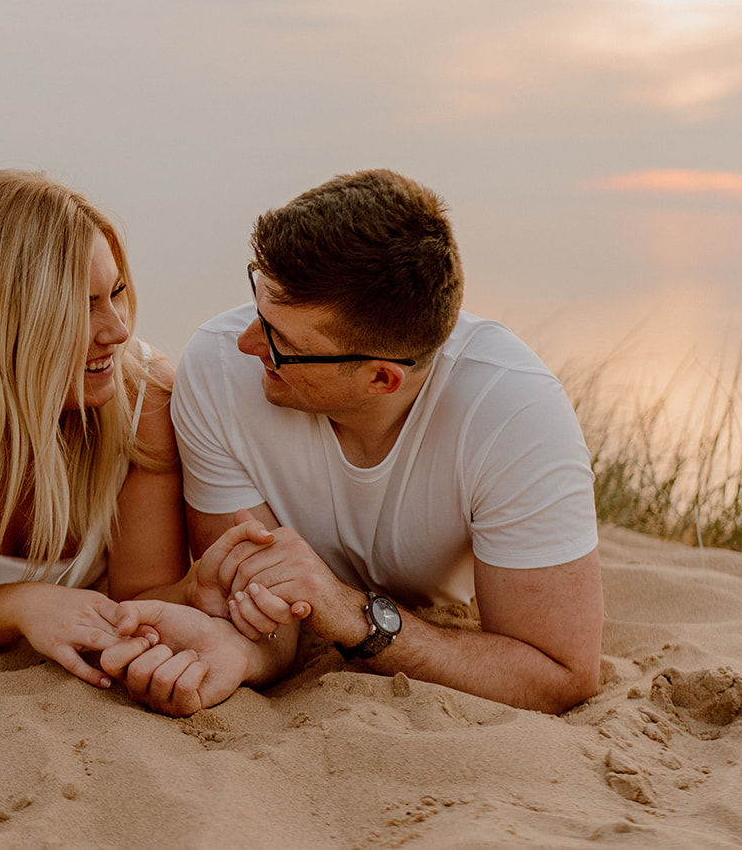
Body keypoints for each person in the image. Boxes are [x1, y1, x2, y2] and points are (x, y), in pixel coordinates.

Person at [132, 169, 603, 715]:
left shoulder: (514, 413)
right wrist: (242, 652)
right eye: (259, 305)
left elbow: (561, 674)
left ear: (382, 378)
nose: (246, 342)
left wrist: (352, 614)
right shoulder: (217, 368)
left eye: (280, 340)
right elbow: (261, 617)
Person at [0, 169, 284, 703]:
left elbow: (137, 595)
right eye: (82, 306)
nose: (117, 330)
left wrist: (188, 589)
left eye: (116, 292)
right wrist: (19, 606)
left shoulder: (142, 393)